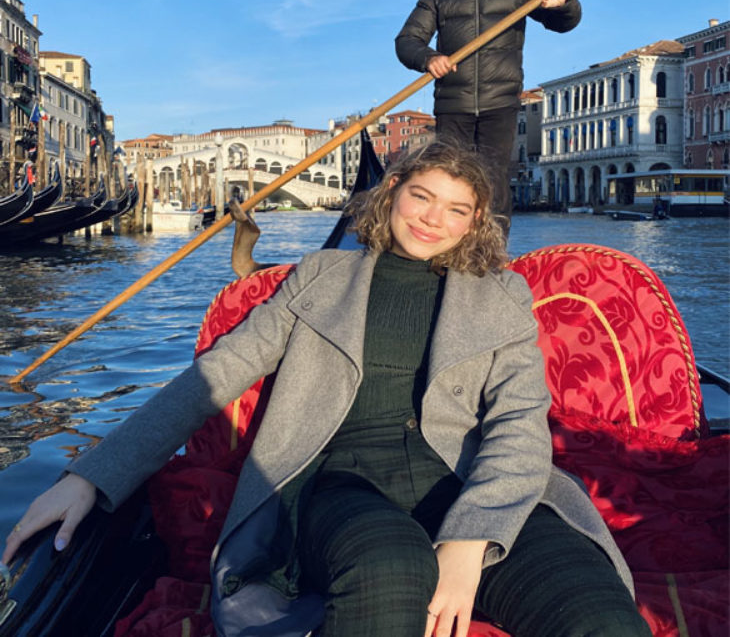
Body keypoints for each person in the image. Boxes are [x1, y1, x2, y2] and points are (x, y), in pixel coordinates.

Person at [3, 141, 650, 637]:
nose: (433, 219)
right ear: (391, 189)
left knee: (598, 609)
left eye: (457, 209)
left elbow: (518, 427)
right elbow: (216, 374)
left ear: (476, 222)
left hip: (467, 480)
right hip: (341, 485)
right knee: (391, 577)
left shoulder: (502, 294)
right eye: (422, 196)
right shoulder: (322, 275)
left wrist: (469, 539)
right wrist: (92, 475)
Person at [395, 0, 582, 231]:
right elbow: (406, 42)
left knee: (493, 182)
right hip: (453, 103)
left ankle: (491, 257)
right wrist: (429, 58)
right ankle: (446, 251)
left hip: (500, 102)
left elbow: (564, 23)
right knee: (447, 181)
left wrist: (562, 2)